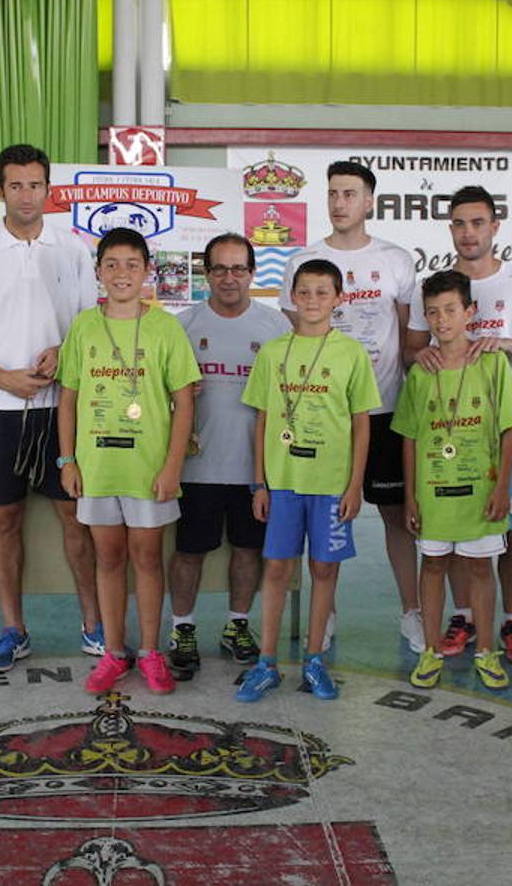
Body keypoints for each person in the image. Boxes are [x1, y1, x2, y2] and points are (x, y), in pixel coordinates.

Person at [0, 144, 101, 672]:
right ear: (0, 191)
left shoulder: (74, 250)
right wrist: (1, 377)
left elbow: (88, 323)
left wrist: (65, 352)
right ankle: (14, 629)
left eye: (36, 185)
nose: (27, 195)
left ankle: (94, 626)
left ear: (48, 190)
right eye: (16, 186)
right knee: (4, 518)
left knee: (74, 516)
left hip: (63, 409)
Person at [406, 185, 512, 665]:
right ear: (450, 228)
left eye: (477, 223)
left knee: (509, 528)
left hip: (511, 430)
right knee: (451, 527)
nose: (468, 232)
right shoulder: (430, 288)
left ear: (494, 226)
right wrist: (422, 352)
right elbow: (410, 350)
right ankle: (464, 615)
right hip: (448, 434)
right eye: (459, 223)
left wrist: (502, 344)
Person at [280, 161, 421, 652]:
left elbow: (407, 338)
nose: (340, 202)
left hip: (384, 411)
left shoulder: (396, 261)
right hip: (322, 418)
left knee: (397, 517)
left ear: (369, 202)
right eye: (333, 193)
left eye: (350, 193)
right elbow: (297, 341)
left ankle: (411, 612)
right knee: (320, 516)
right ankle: (327, 612)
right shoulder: (304, 259)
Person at [57, 228, 201, 696]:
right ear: (98, 272)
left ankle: (151, 652)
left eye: (132, 265)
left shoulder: (164, 327)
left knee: (147, 557)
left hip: (148, 470)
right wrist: (68, 460)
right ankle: (115, 652)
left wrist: (172, 466)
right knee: (109, 557)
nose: (122, 274)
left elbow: (185, 401)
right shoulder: (83, 326)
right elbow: (68, 399)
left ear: (147, 272)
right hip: (98, 469)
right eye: (112, 264)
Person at [236, 259, 382, 703]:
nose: (313, 300)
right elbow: (261, 420)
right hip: (282, 482)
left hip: (331, 485)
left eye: (323, 292)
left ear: (338, 299)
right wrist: (259, 482)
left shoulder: (351, 354)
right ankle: (266, 663)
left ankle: (315, 660)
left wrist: (354, 485)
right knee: (277, 568)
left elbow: (361, 424)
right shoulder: (274, 352)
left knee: (323, 569)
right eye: (305, 291)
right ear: (292, 297)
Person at [167, 233, 291, 679]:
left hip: (254, 470)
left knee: (247, 550)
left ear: (253, 275)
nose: (229, 278)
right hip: (196, 466)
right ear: (206, 274)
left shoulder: (277, 328)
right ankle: (182, 629)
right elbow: (161, 394)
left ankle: (238, 626)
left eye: (239, 269)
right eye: (219, 268)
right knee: (188, 552)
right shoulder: (182, 325)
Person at [393, 271, 512, 692]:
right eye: (432, 312)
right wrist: (411, 497)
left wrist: (502, 487)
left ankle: (486, 651)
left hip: (480, 491)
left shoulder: (492, 363)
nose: (442, 320)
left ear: (470, 312)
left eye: (450, 310)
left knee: (480, 569)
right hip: (433, 493)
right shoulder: (421, 371)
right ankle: (431, 650)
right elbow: (410, 438)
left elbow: (508, 430)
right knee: (431, 566)